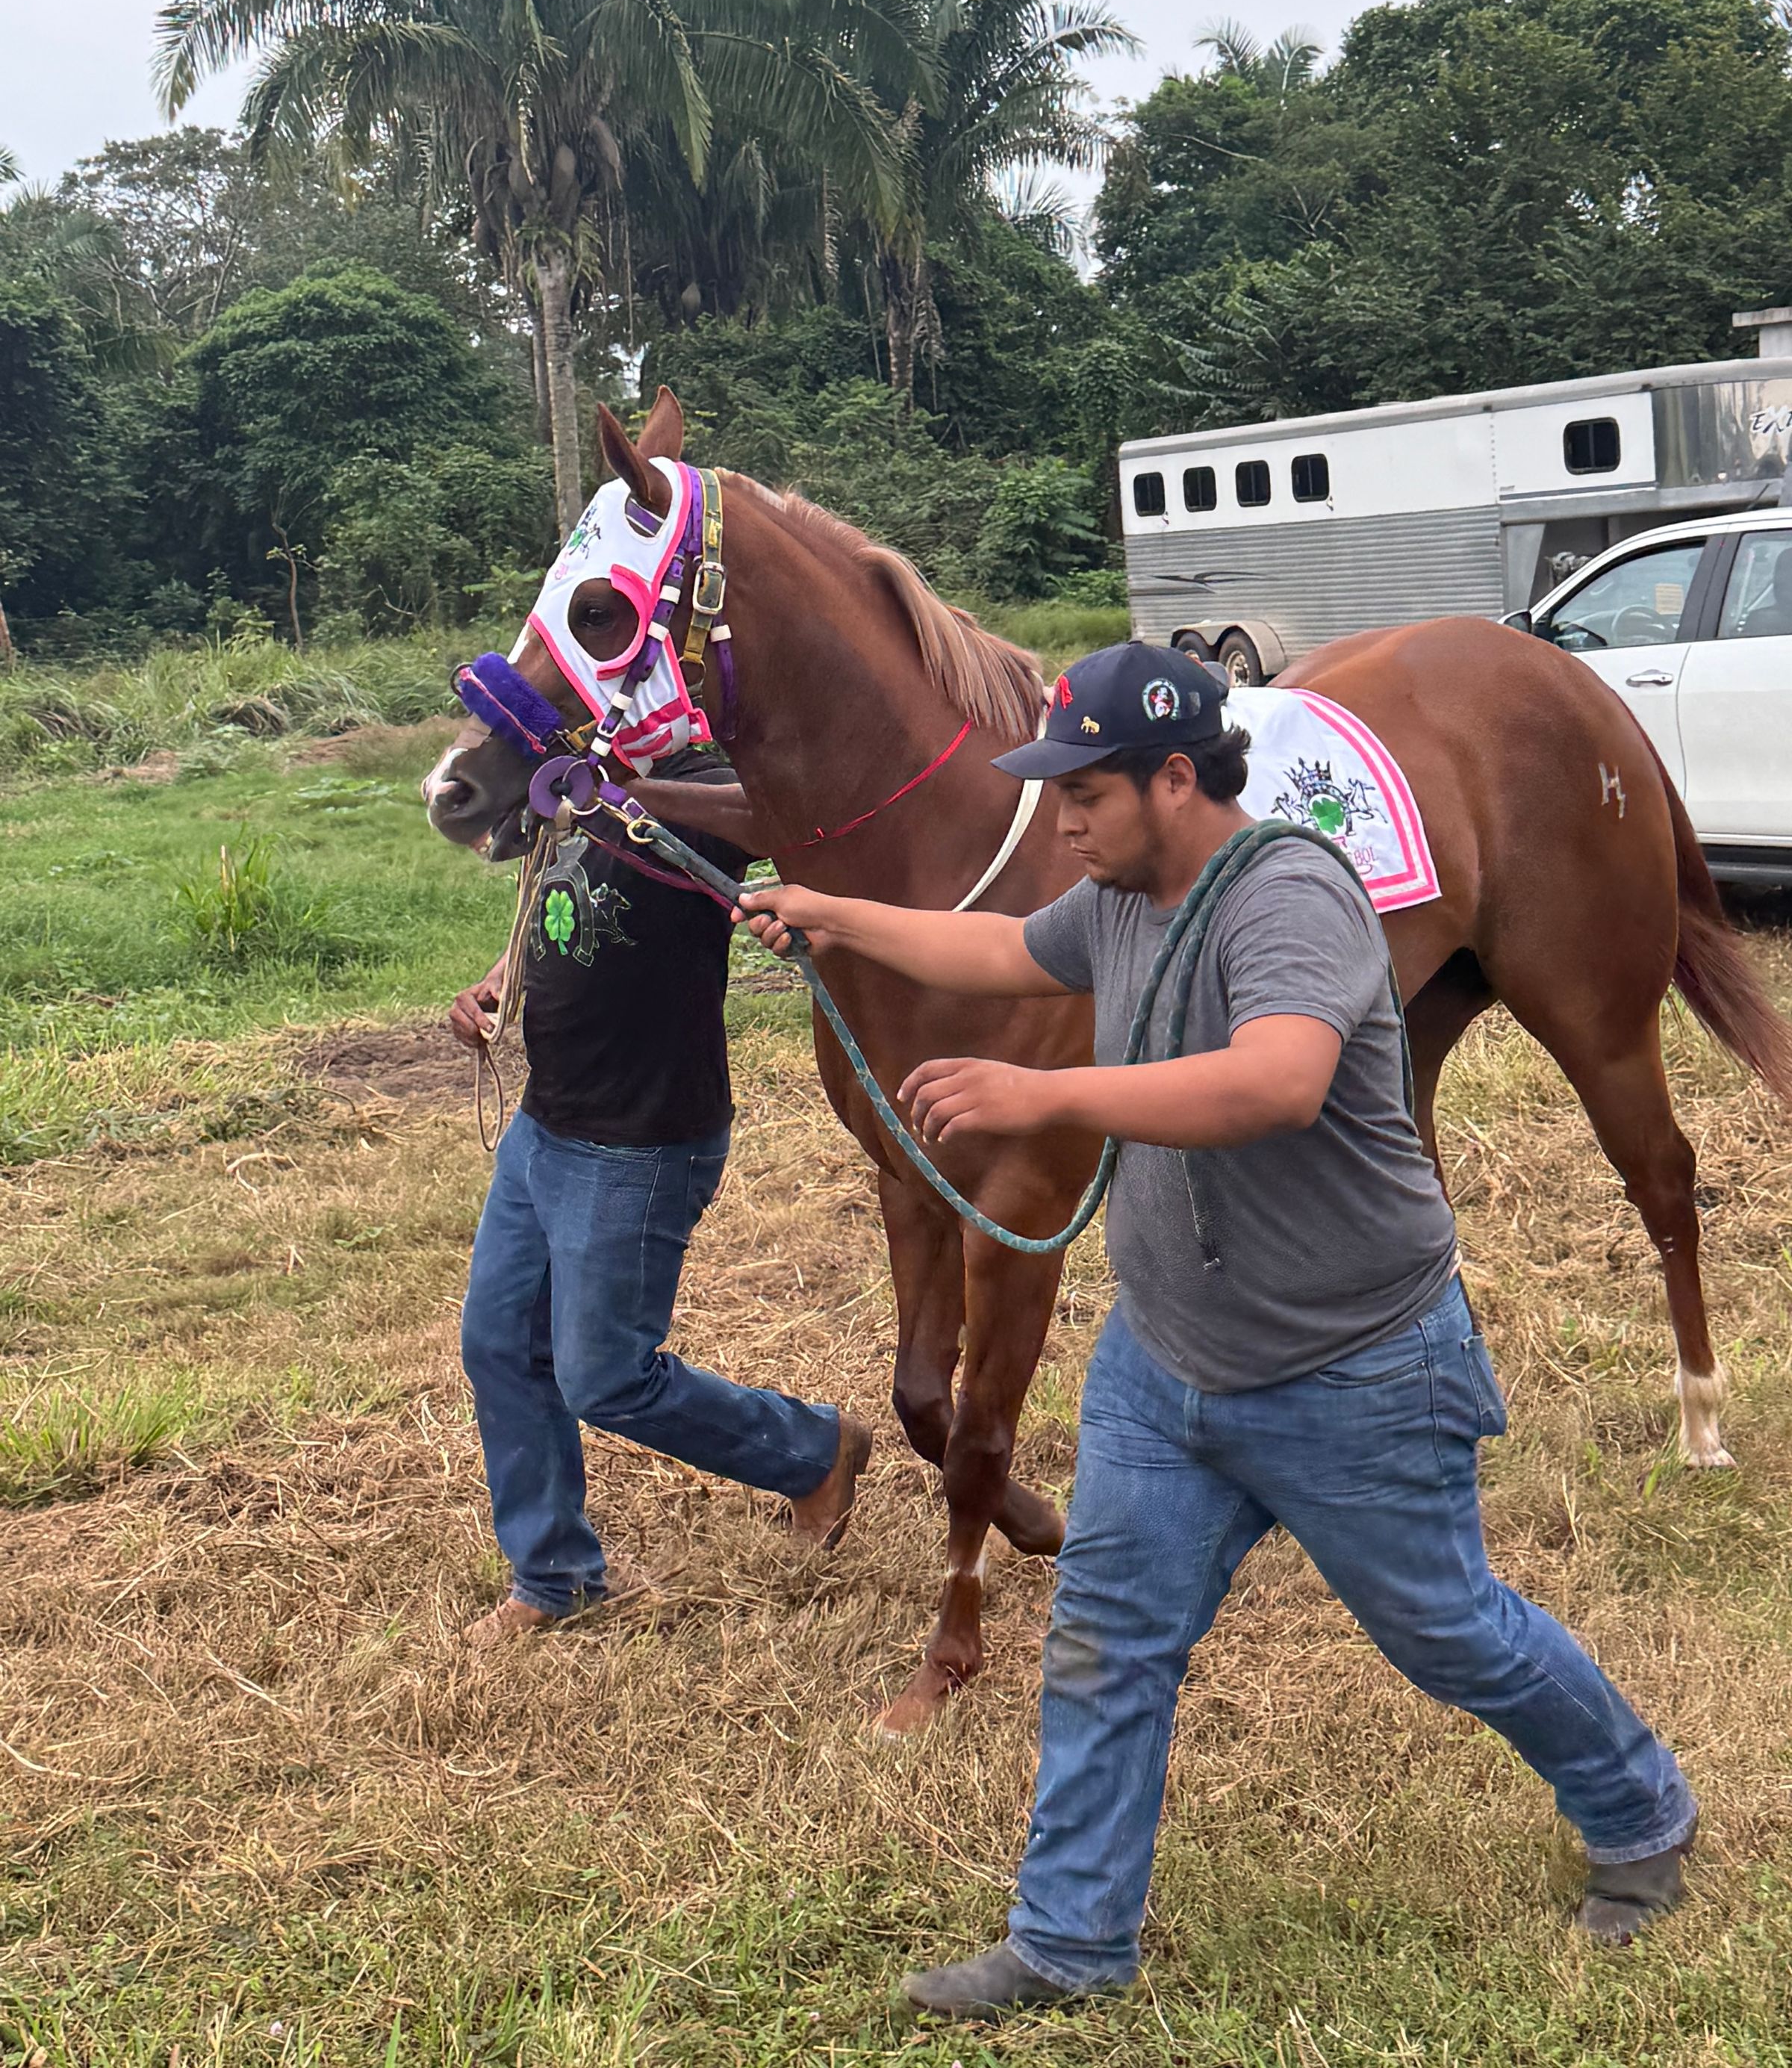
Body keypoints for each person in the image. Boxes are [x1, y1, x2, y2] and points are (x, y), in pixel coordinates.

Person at [737, 641, 1697, 2022]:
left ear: (1175, 779)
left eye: (1086, 794)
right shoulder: (1116, 898)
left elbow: (1277, 1080)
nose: (1063, 822)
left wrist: (1041, 1096)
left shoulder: (1289, 892)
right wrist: (831, 913)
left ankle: (1642, 1807)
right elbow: (1000, 947)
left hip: (1351, 1363)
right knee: (1108, 1635)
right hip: (1168, 1359)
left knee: (1449, 1633)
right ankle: (1068, 1940)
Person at [449, 749, 871, 1645]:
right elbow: (557, 891)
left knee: (605, 1376)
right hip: (546, 1120)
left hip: (637, 1140)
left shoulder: (703, 781)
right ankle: (555, 1574)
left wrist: (635, 791)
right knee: (499, 1341)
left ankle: (814, 1449)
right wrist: (501, 976)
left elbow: (780, 815)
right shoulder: (578, 777)